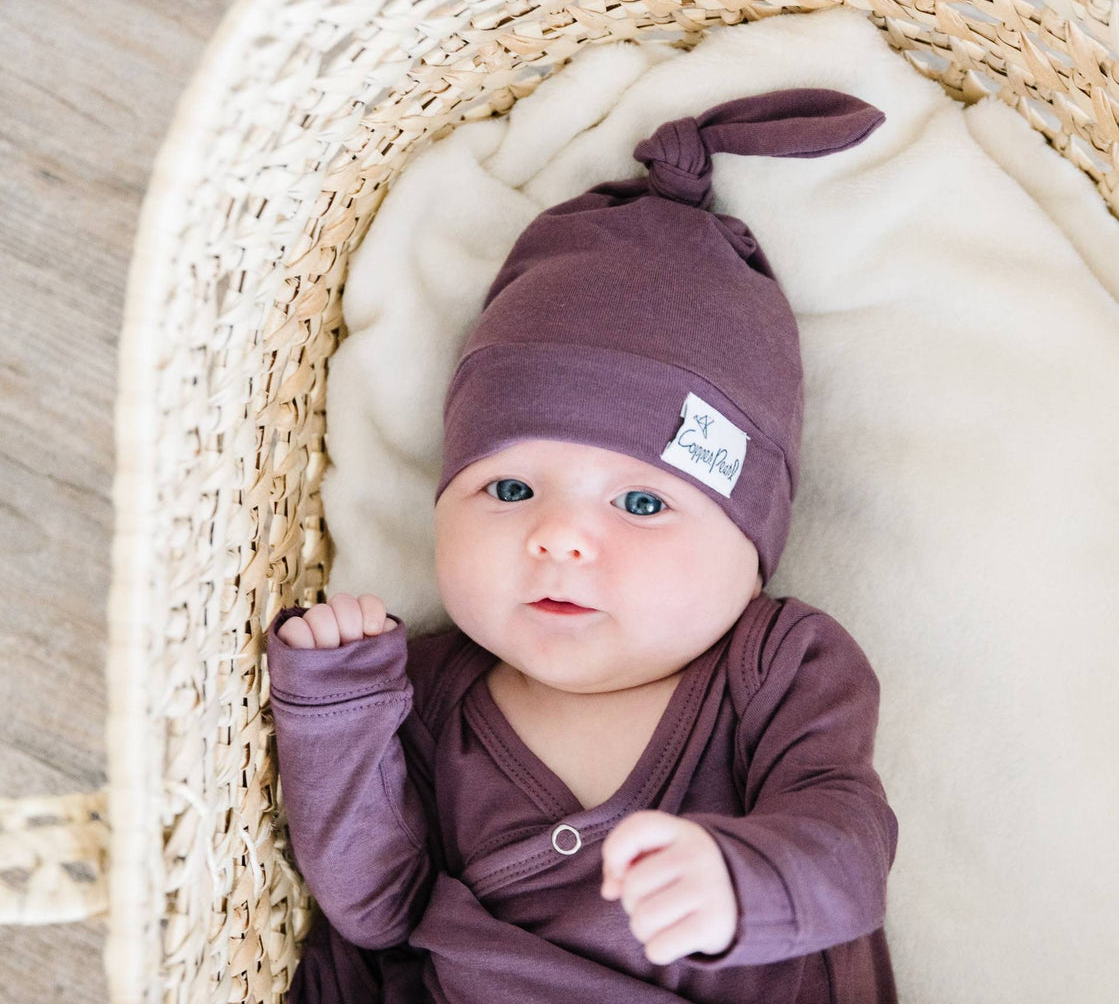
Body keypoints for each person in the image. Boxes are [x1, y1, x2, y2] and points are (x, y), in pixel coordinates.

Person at [265, 86, 899, 1003]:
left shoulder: (776, 669)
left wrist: (741, 883)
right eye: (509, 489)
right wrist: (335, 713)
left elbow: (851, 846)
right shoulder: (431, 698)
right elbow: (376, 909)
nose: (559, 536)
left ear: (751, 545)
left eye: (643, 501)